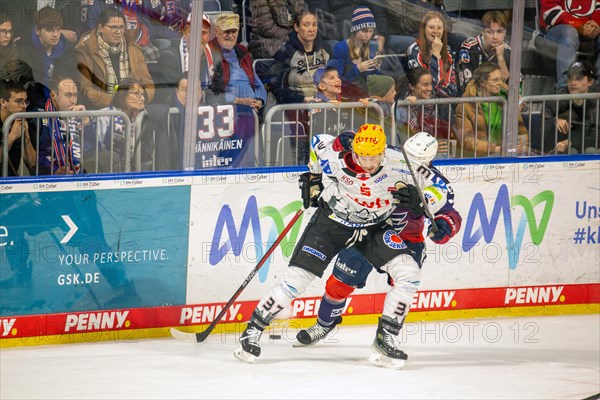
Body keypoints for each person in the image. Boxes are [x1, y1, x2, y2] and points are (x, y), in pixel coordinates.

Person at [233, 123, 441, 363]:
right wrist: (312, 176)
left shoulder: (400, 162)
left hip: (373, 228)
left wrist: (422, 199)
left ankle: (386, 338)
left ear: (383, 152)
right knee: (296, 280)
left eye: (372, 157)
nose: (366, 162)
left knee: (409, 273)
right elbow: (316, 143)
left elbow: (440, 188)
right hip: (331, 224)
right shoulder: (334, 155)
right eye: (361, 155)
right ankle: (252, 330)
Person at [295, 131, 462, 369]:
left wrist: (445, 225)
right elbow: (353, 150)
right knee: (339, 282)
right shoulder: (389, 158)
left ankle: (387, 336)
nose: (411, 165)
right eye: (408, 157)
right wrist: (345, 140)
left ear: (429, 161)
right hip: (369, 230)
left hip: (407, 240)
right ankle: (324, 324)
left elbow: (449, 212)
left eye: (418, 161)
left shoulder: (435, 181)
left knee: (404, 284)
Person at [75, 6, 155, 109]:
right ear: (101, 28)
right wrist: (119, 100)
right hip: (101, 113)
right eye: (113, 27)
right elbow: (87, 90)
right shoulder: (85, 51)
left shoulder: (133, 49)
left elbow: (148, 82)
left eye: (121, 27)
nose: (118, 32)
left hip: (132, 110)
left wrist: (140, 97)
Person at [454, 62, 528, 157]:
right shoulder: (466, 106)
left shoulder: (507, 100)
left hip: (507, 153)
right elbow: (467, 140)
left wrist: (523, 146)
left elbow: (521, 130)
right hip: (480, 156)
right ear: (483, 83)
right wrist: (498, 149)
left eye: (501, 79)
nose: (500, 83)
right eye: (495, 80)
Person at [206, 13, 267, 113]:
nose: (230, 35)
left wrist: (259, 100)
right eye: (227, 31)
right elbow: (208, 93)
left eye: (233, 31)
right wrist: (237, 101)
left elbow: (258, 84)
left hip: (251, 111)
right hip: (225, 111)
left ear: (238, 33)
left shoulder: (243, 51)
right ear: (216, 32)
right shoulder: (209, 51)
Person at [538, 0, 600, 92]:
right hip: (557, 30)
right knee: (569, 33)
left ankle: (597, 88)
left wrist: (596, 25)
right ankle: (564, 88)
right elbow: (551, 12)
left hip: (587, 29)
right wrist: (579, 25)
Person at [37, 74, 93, 175]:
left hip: (79, 176)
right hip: (50, 179)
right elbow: (37, 157)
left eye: (75, 95)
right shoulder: (40, 117)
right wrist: (54, 170)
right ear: (53, 95)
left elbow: (91, 152)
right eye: (68, 95)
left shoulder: (78, 116)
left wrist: (86, 121)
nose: (73, 100)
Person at [396, 67, 456, 157]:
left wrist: (435, 144)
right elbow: (400, 136)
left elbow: (450, 132)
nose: (429, 88)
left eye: (430, 84)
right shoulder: (401, 103)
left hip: (437, 153)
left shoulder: (441, 100)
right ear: (412, 86)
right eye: (425, 85)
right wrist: (404, 105)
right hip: (411, 153)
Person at [542, 60, 599, 154]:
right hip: (565, 149)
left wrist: (571, 142)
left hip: (589, 146)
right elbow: (545, 112)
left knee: (591, 151)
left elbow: (594, 134)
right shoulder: (562, 96)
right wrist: (555, 120)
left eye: (578, 78)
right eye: (570, 78)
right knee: (571, 152)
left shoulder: (596, 100)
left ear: (590, 82)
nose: (572, 83)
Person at [155, 13, 212, 103]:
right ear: (184, 33)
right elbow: (167, 98)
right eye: (193, 32)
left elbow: (218, 93)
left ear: (209, 36)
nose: (198, 37)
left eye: (203, 33)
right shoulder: (169, 57)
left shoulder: (214, 56)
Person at [95, 77, 148, 172]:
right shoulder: (105, 115)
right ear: (123, 97)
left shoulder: (141, 119)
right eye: (136, 93)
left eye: (142, 94)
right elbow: (96, 148)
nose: (142, 98)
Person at [456, 10, 511, 96]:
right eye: (490, 32)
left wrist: (500, 58)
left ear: (505, 32)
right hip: (472, 101)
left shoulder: (508, 51)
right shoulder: (469, 47)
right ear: (482, 31)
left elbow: (512, 88)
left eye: (499, 31)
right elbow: (467, 85)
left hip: (498, 104)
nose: (495, 37)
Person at [17, 6, 75, 87]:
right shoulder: (22, 50)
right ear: (37, 30)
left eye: (58, 29)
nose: (55, 35)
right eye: (49, 30)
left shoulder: (66, 51)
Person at [332, 7, 382, 99]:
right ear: (355, 29)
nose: (368, 35)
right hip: (345, 97)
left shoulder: (371, 48)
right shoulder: (340, 48)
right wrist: (357, 69)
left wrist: (377, 69)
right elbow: (337, 82)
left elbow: (373, 78)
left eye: (371, 31)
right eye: (364, 31)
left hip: (365, 97)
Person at [406, 11, 458, 99]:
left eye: (439, 28)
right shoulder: (414, 51)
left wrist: (444, 92)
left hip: (445, 101)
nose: (436, 31)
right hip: (422, 102)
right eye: (431, 27)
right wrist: (435, 55)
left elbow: (452, 87)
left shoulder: (448, 50)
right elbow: (429, 86)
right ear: (423, 29)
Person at [0, 79, 37, 176]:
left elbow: (33, 165)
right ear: (3, 102)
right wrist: (12, 137)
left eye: (25, 101)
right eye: (19, 101)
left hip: (11, 185)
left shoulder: (22, 122)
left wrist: (26, 137)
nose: (24, 106)